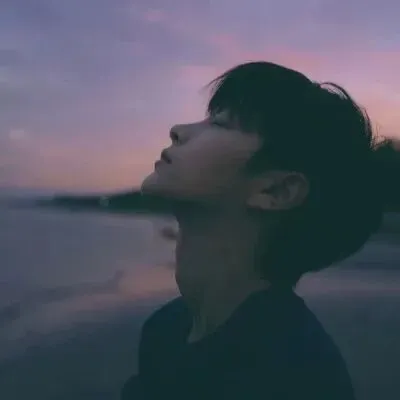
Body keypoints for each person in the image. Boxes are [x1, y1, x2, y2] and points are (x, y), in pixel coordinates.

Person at [121, 61, 385, 399]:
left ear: (276, 191)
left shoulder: (296, 377)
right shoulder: (165, 329)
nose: (178, 130)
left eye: (220, 123)